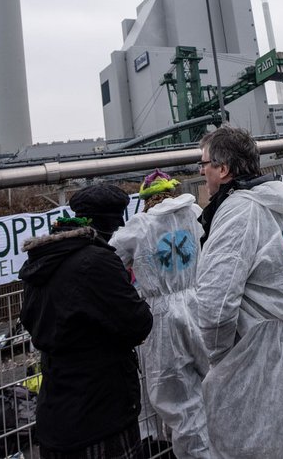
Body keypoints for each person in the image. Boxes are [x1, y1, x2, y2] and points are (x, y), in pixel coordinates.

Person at [194, 126, 283, 459]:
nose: (201, 171)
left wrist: (220, 361)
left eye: (205, 163)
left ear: (223, 169)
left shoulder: (239, 212)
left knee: (263, 445)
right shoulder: (275, 203)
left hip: (261, 359)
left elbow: (215, 306)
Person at [19, 185, 153, 459]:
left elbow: (32, 321)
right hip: (102, 411)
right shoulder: (98, 262)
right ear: (107, 223)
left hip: (57, 410)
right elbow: (139, 322)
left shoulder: (43, 260)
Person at [109, 170, 210, 459]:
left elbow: (110, 256)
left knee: (178, 398)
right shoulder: (191, 212)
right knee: (210, 381)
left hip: (162, 314)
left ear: (146, 198)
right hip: (197, 302)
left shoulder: (139, 226)